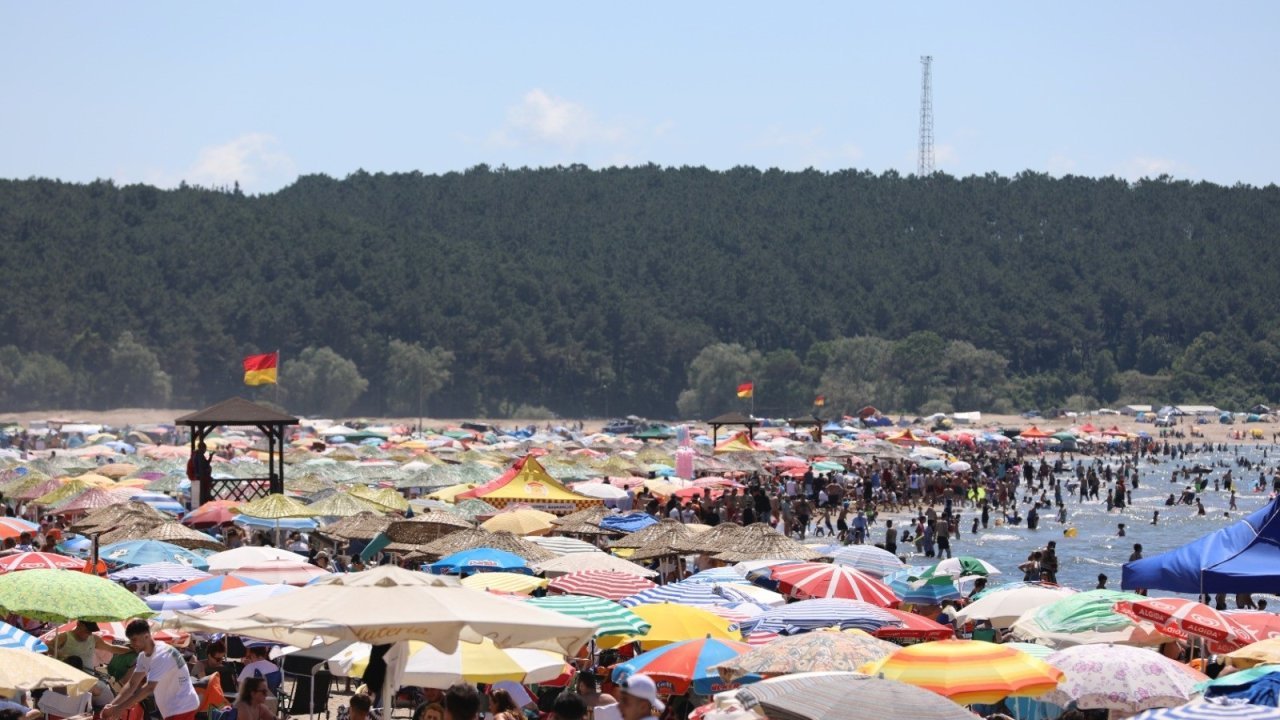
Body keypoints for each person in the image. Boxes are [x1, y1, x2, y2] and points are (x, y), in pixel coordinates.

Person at [103, 619, 200, 720]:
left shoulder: (161, 654)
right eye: (130, 640)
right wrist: (112, 705)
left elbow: (149, 688)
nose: (132, 644)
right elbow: (132, 684)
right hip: (174, 708)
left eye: (134, 639)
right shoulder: (142, 656)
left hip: (183, 706)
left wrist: (120, 708)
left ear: (146, 636)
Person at [50, 620, 130, 670]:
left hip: (88, 677)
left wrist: (132, 650)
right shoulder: (64, 637)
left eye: (91, 631)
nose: (89, 634)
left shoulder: (94, 638)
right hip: (67, 676)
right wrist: (61, 655)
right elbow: (46, 647)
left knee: (106, 694)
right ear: (79, 624)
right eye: (87, 630)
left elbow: (111, 648)